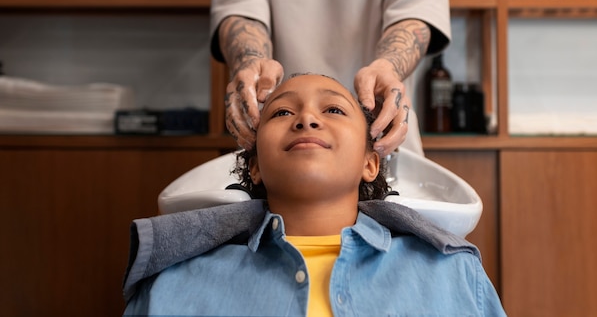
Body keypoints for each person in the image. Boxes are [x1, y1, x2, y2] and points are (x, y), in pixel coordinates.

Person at [123, 74, 506, 316]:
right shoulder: (175, 283)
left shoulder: (449, 274)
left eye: (334, 109)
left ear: (370, 163)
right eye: (281, 113)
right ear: (253, 166)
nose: (306, 119)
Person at [210, 0, 451, 157]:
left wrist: (388, 67)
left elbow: (413, 16)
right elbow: (243, 18)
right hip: (279, 156)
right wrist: (251, 63)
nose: (312, 121)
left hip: (383, 149)